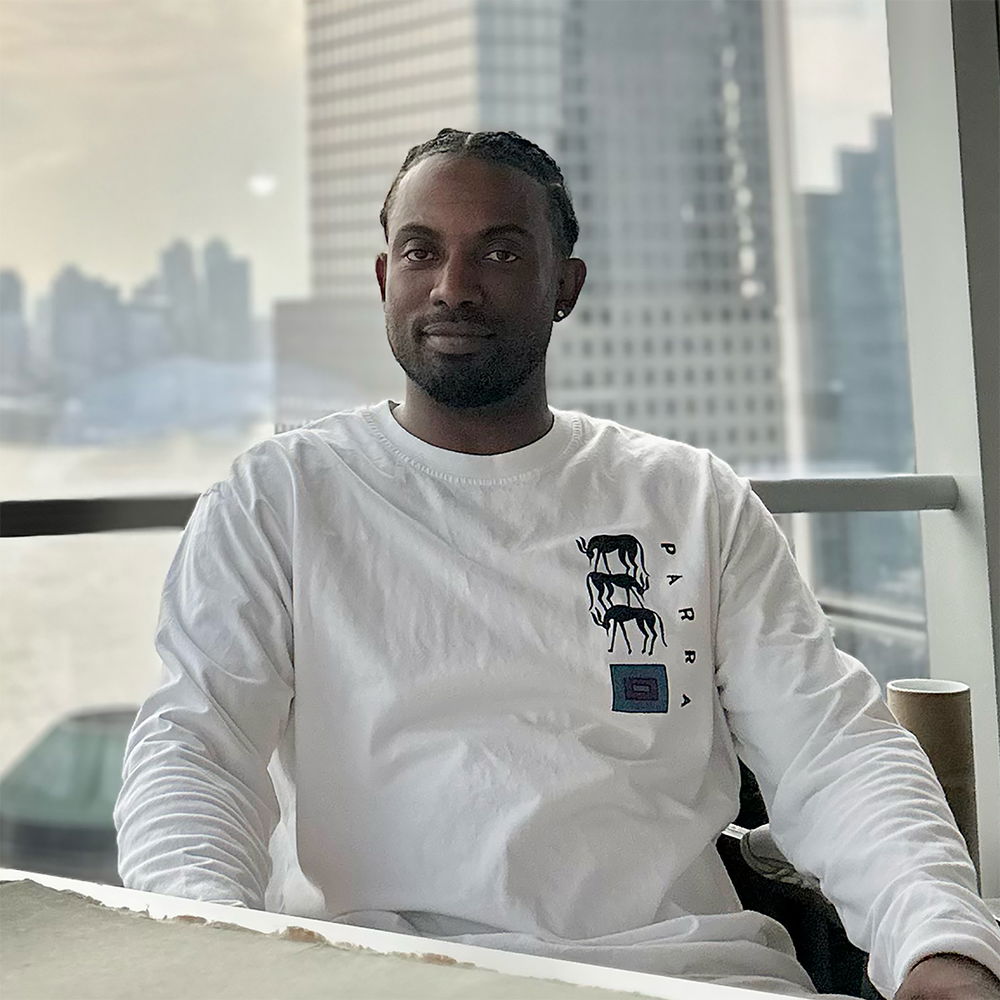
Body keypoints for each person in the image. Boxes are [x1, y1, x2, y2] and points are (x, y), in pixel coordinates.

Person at [115, 130, 1000, 1000]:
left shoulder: (688, 497)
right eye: (421, 252)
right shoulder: (284, 494)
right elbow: (193, 751)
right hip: (381, 978)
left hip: (690, 975)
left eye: (499, 253)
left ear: (564, 285)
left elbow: (832, 747)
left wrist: (940, 940)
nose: (452, 287)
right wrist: (211, 958)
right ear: (386, 281)